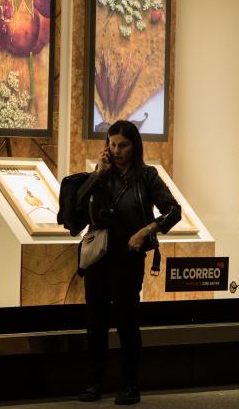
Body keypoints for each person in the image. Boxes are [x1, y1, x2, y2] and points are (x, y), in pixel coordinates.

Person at [76, 120, 181, 405]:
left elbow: (174, 211)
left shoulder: (147, 176)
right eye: (112, 145)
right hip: (99, 256)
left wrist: (146, 231)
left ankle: (130, 384)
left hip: (128, 256)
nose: (117, 150)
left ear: (134, 147)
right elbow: (77, 208)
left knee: (126, 322)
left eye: (122, 145)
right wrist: (98, 173)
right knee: (95, 322)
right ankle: (94, 382)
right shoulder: (103, 175)